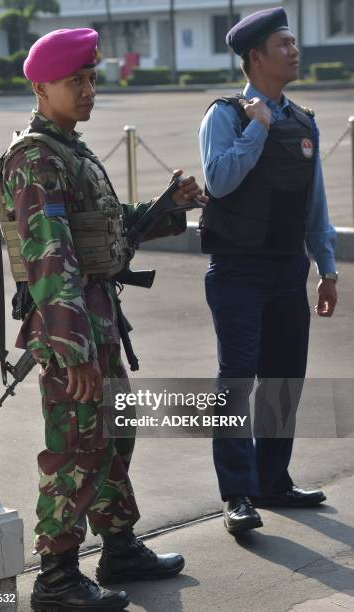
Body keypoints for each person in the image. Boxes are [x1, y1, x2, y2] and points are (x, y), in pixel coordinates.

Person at [0, 28, 207, 611]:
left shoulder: (67, 148)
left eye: (91, 79)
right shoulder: (34, 159)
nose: (88, 90)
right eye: (74, 81)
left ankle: (119, 545)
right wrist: (72, 347)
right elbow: (49, 255)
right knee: (77, 446)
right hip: (72, 329)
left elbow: (101, 229)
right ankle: (57, 577)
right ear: (41, 87)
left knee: (114, 435)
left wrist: (170, 209)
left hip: (96, 317)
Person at [199, 7, 338, 536]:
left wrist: (327, 269)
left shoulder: (304, 121)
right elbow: (221, 181)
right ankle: (237, 494)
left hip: (287, 270)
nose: (295, 51)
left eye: (295, 42)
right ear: (255, 57)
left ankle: (272, 480)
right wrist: (256, 130)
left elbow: (314, 206)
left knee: (283, 379)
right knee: (236, 381)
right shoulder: (226, 115)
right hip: (236, 270)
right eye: (284, 44)